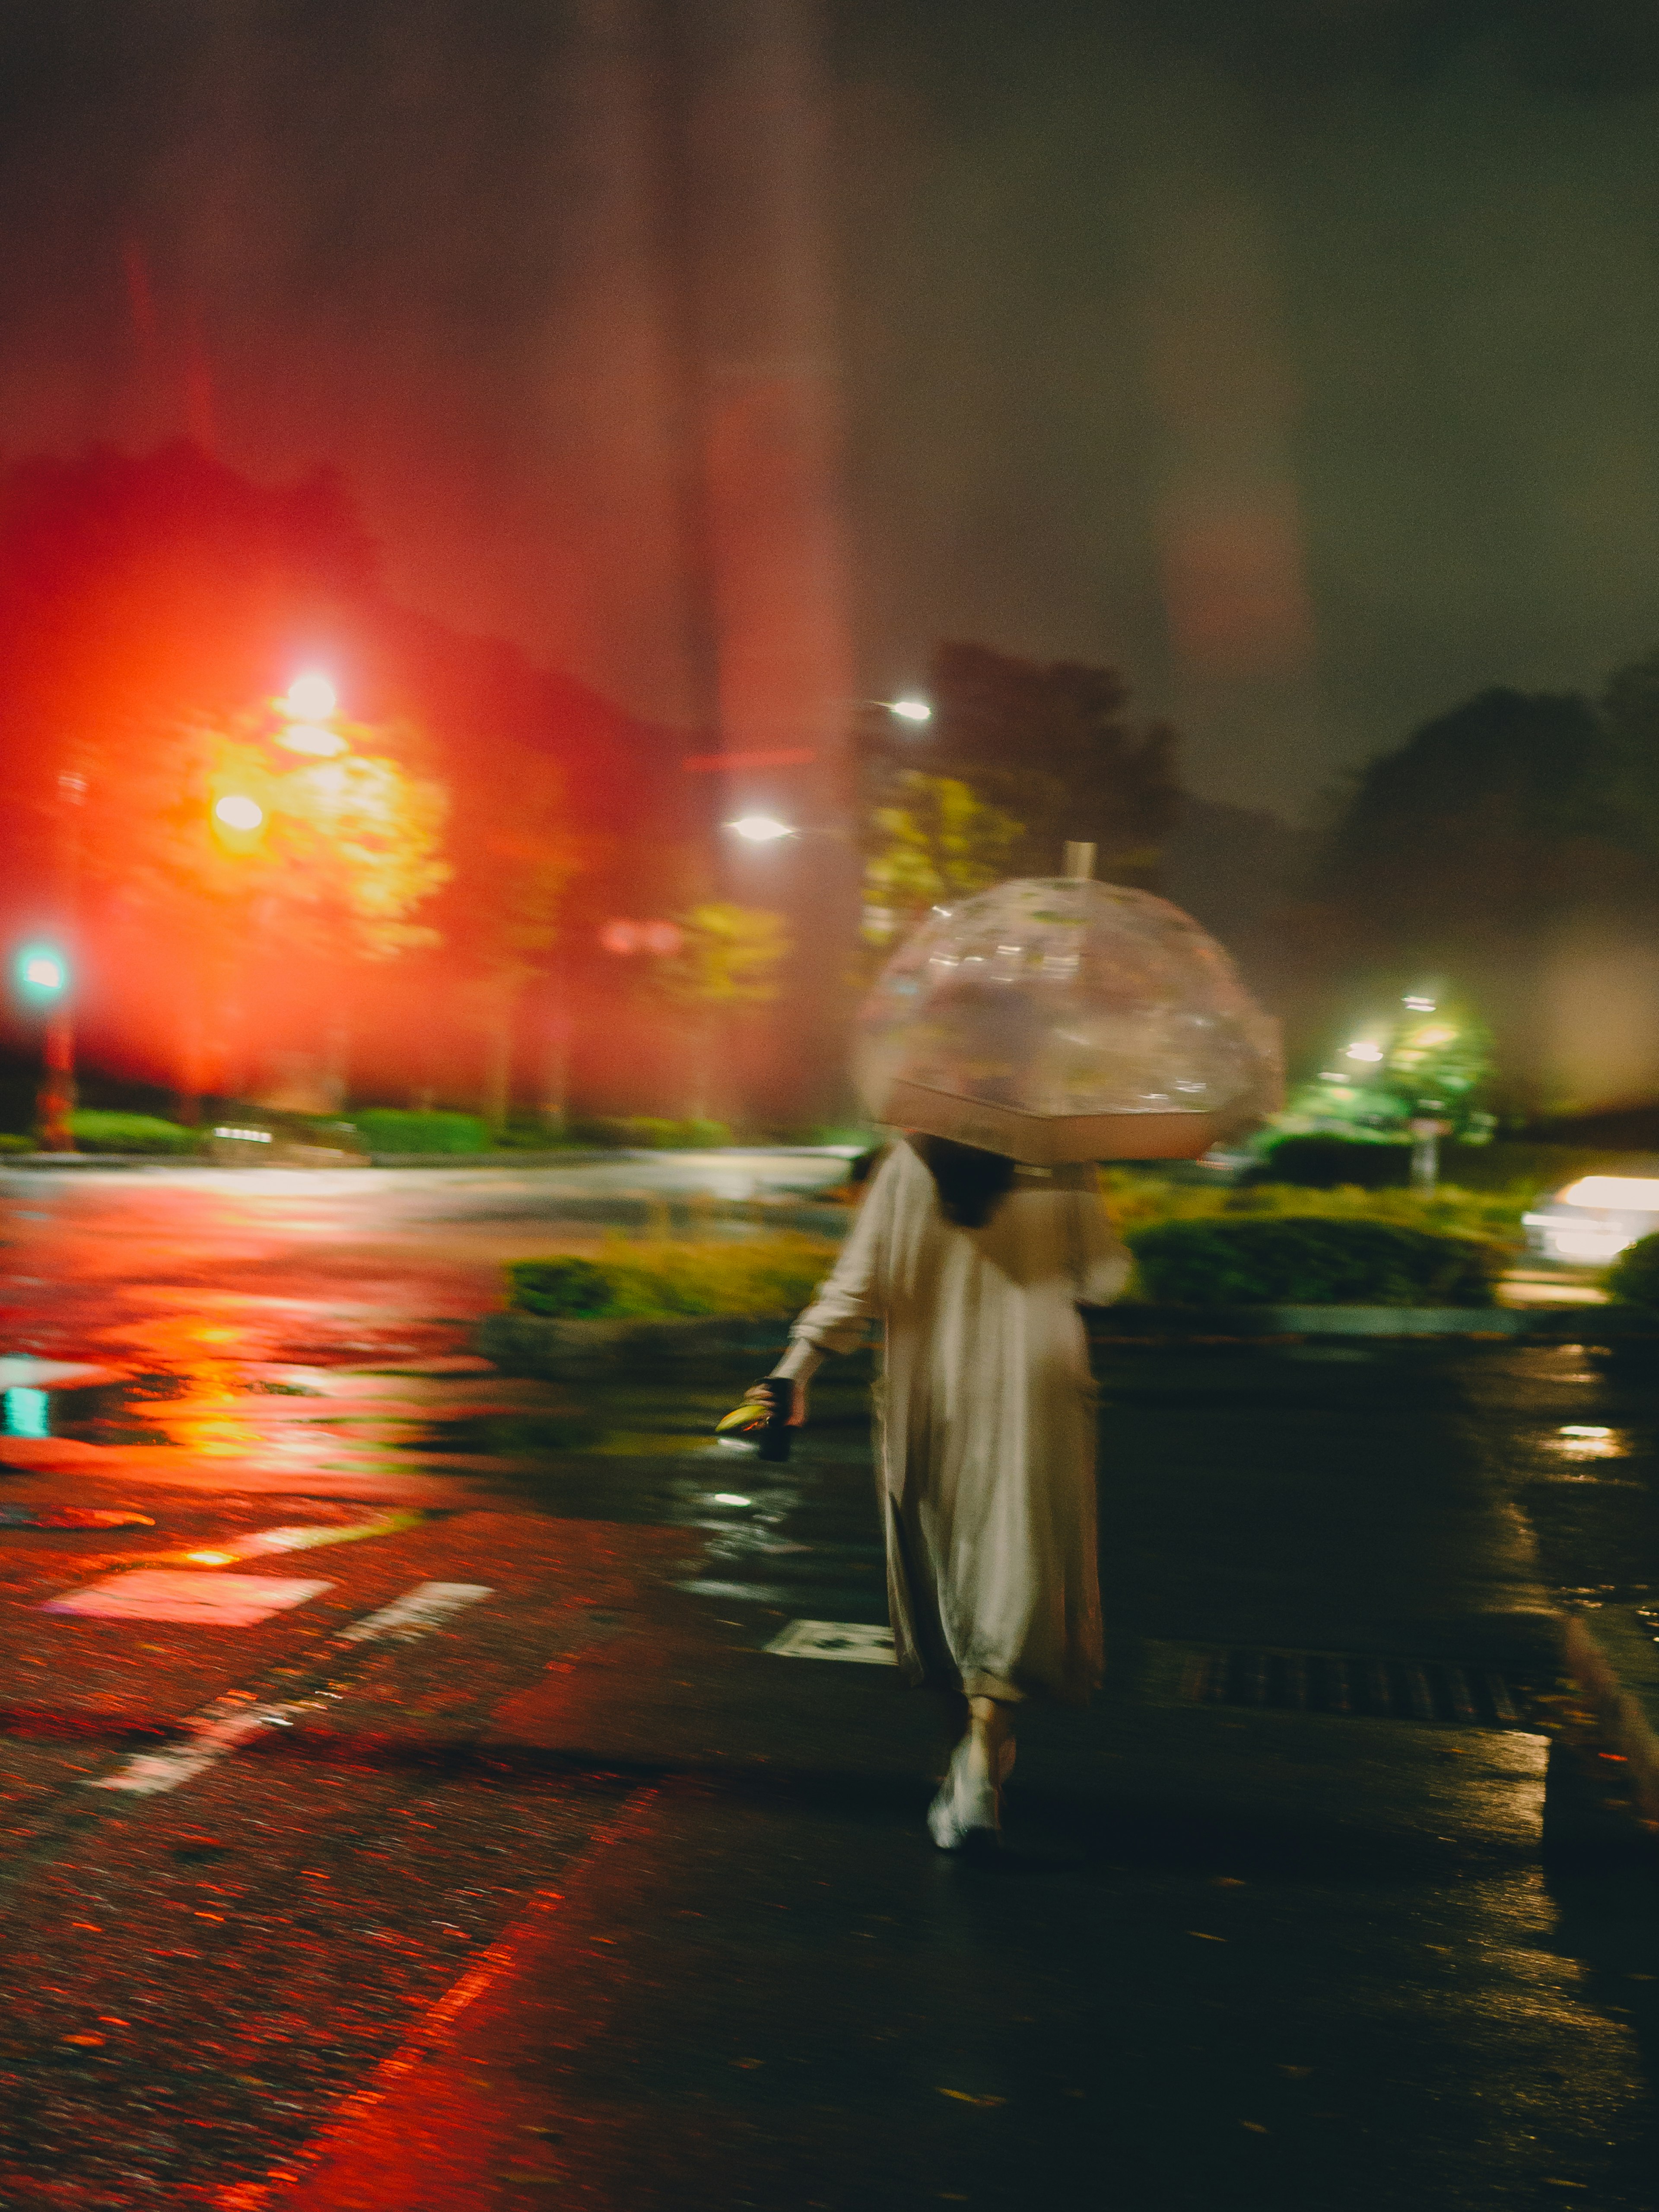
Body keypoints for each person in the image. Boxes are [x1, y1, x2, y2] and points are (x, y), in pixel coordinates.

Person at [749, 1131, 1130, 1851]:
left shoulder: (909, 1161)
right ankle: (983, 1757)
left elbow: (856, 1286)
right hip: (1038, 1392)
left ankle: (971, 1763)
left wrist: (793, 1372)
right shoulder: (1063, 1153)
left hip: (936, 1390)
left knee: (949, 1573)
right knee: (1017, 1564)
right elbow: (1104, 1277)